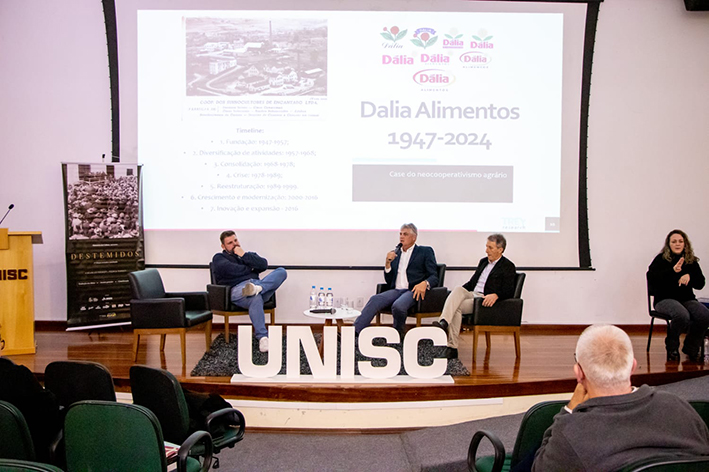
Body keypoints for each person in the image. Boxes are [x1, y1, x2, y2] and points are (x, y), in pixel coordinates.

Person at [531, 325, 709, 472]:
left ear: (579, 373)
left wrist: (568, 411)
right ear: (632, 366)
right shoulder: (680, 409)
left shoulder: (571, 432)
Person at [432, 234, 516, 359]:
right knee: (458, 289)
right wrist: (455, 295)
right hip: (472, 294)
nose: (486, 250)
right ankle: (443, 323)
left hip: (483, 300)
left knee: (457, 307)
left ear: (500, 249)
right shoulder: (483, 262)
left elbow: (510, 290)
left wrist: (496, 295)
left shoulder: (508, 266)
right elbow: (471, 284)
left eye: (490, 248)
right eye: (486, 246)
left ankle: (452, 346)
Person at [354, 223, 438, 336]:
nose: (402, 237)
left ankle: (397, 336)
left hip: (412, 290)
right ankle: (355, 332)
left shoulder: (425, 251)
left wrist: (425, 283)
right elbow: (389, 280)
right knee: (375, 299)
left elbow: (434, 276)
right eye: (400, 234)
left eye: (405, 234)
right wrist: (388, 263)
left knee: (398, 306)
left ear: (414, 237)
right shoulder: (396, 253)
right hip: (396, 290)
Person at [212, 230, 286, 352]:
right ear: (223, 246)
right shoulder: (219, 258)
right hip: (237, 289)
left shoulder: (247, 255)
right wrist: (251, 269)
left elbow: (263, 264)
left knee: (281, 272)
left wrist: (244, 256)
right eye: (230, 243)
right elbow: (231, 270)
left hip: (256, 285)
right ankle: (263, 338)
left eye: (235, 240)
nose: (235, 244)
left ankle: (258, 288)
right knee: (255, 297)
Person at [648, 229, 709, 362]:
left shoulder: (691, 261)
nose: (677, 244)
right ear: (668, 244)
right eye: (674, 241)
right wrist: (672, 271)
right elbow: (652, 278)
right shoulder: (661, 259)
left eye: (680, 241)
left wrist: (690, 276)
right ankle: (672, 346)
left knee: (704, 315)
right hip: (664, 299)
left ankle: (691, 348)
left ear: (685, 244)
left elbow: (700, 283)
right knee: (682, 315)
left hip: (686, 299)